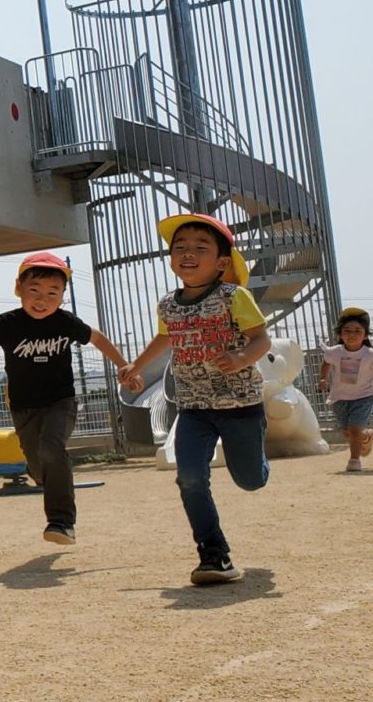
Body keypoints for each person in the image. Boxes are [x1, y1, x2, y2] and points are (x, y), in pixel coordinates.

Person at [119, 214, 272, 586]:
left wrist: (240, 358)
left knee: (251, 480)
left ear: (221, 263)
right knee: (189, 477)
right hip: (193, 408)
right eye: (180, 247)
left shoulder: (234, 297)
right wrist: (136, 365)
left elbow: (261, 339)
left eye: (200, 247)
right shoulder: (168, 305)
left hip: (240, 404)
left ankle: (259, 461)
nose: (188, 253)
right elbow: (165, 337)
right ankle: (214, 554)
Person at [0, 252, 131, 546]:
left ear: (63, 296)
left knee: (52, 448)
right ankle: (41, 473)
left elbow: (97, 338)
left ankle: (61, 522)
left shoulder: (65, 322)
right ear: (19, 288)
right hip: (24, 407)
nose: (42, 300)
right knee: (40, 467)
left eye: (53, 293)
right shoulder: (6, 323)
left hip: (60, 403)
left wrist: (124, 366)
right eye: (34, 290)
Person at [318, 306, 373, 472]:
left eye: (357, 331)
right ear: (340, 334)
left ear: (365, 335)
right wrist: (323, 378)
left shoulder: (370, 354)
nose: (352, 335)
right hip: (339, 398)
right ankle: (366, 436)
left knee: (354, 430)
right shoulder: (335, 352)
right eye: (347, 331)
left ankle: (354, 461)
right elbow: (326, 362)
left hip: (363, 397)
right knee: (347, 432)